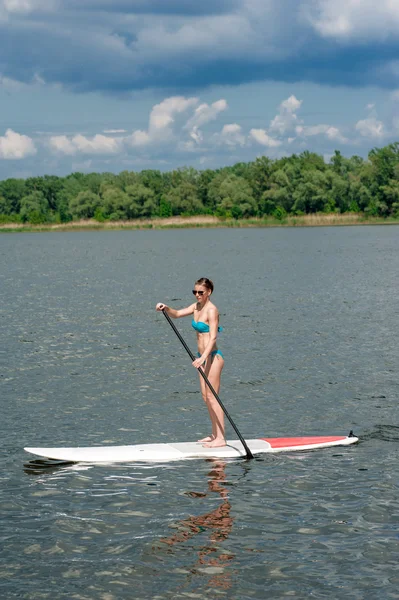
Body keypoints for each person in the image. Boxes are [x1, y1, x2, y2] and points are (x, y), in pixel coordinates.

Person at [156, 277, 225, 447]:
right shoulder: (196, 307)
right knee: (205, 397)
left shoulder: (211, 310)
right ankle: (214, 434)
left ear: (209, 292)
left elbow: (213, 336)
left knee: (212, 397)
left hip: (212, 357)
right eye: (194, 292)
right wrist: (166, 308)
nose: (197, 295)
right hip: (200, 358)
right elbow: (178, 314)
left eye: (200, 292)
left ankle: (221, 439)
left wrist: (203, 358)